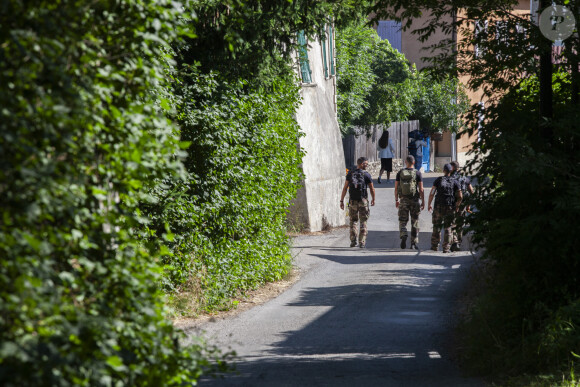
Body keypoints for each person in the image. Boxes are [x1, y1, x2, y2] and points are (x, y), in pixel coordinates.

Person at [340, 157, 376, 248]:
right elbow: (372, 188)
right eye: (365, 164)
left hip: (352, 201)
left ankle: (353, 240)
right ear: (360, 164)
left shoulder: (350, 174)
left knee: (353, 221)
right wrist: (373, 199)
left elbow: (345, 188)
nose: (367, 165)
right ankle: (362, 242)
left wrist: (342, 200)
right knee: (363, 221)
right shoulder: (366, 175)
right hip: (363, 201)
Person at [428, 163, 463, 253]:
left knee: (437, 226)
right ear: (451, 171)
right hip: (450, 206)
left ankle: (435, 246)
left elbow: (432, 193)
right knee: (448, 227)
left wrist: (429, 204)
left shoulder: (438, 180)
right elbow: (460, 196)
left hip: (438, 206)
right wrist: (457, 206)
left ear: (444, 171)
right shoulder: (455, 181)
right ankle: (446, 248)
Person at [394, 155, 425, 250]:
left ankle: (403, 234)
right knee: (415, 221)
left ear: (405, 162)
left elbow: (396, 188)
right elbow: (421, 189)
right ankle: (413, 243)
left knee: (402, 220)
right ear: (414, 162)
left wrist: (396, 200)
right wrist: (423, 201)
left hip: (403, 199)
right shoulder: (418, 173)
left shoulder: (400, 173)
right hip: (414, 200)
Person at [449, 161, 475, 251]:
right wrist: (468, 205)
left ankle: (454, 241)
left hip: (452, 204)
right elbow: (472, 192)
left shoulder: (450, 178)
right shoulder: (464, 178)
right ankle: (458, 243)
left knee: (452, 223)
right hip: (463, 204)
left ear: (452, 168)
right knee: (460, 224)